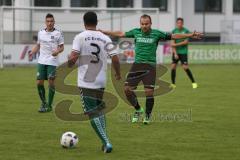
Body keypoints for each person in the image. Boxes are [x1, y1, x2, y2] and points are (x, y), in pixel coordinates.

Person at [100, 14, 202, 124]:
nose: (144, 26)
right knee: (127, 90)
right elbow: (120, 33)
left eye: (146, 24)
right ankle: (138, 109)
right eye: (142, 24)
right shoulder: (136, 32)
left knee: (149, 92)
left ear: (150, 23)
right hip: (137, 65)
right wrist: (105, 32)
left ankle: (147, 116)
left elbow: (174, 36)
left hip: (150, 66)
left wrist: (190, 34)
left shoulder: (156, 34)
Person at [68, 11, 121, 153]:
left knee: (92, 113)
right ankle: (105, 141)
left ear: (84, 23)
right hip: (101, 81)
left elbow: (72, 58)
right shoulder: (105, 38)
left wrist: (70, 61)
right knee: (99, 110)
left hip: (86, 81)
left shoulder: (79, 37)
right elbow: (115, 58)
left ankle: (107, 142)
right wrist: (118, 73)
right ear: (97, 22)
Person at [30, 13, 64, 112]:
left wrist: (57, 51)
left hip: (52, 61)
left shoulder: (58, 33)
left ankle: (49, 105)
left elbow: (62, 47)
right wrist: (32, 51)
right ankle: (43, 102)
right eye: (48, 21)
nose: (49, 23)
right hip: (42, 60)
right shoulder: (40, 33)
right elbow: (38, 45)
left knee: (51, 81)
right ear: (45, 22)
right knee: (39, 82)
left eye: (51, 21)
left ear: (54, 22)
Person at [171, 18, 198, 89]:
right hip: (176, 53)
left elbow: (185, 42)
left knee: (185, 67)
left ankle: (193, 82)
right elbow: (172, 44)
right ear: (176, 23)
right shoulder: (174, 31)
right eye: (178, 23)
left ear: (182, 23)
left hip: (183, 52)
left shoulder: (186, 31)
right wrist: (175, 53)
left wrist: (176, 45)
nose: (179, 24)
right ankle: (173, 84)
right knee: (173, 67)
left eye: (181, 23)